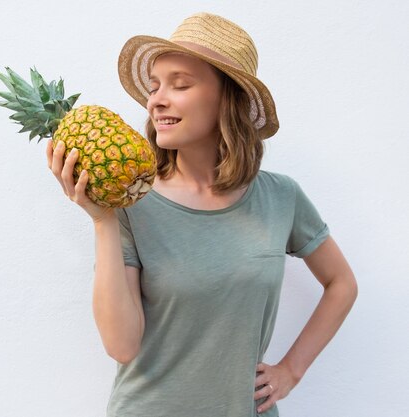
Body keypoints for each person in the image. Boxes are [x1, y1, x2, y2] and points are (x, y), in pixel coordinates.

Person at [46, 12, 357, 417]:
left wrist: (291, 370)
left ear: (228, 99)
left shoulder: (281, 197)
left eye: (180, 84)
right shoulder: (128, 204)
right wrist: (102, 219)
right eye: (155, 86)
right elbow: (121, 346)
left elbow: (341, 283)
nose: (156, 99)